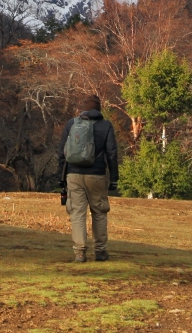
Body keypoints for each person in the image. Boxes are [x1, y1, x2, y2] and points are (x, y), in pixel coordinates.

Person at [57, 94, 118, 263]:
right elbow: (112, 154)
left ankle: (80, 252)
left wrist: (61, 177)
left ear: (83, 108)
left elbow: (62, 152)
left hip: (73, 175)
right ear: (99, 109)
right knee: (99, 212)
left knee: (77, 213)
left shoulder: (71, 124)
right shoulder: (106, 126)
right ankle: (100, 251)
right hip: (97, 175)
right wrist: (114, 178)